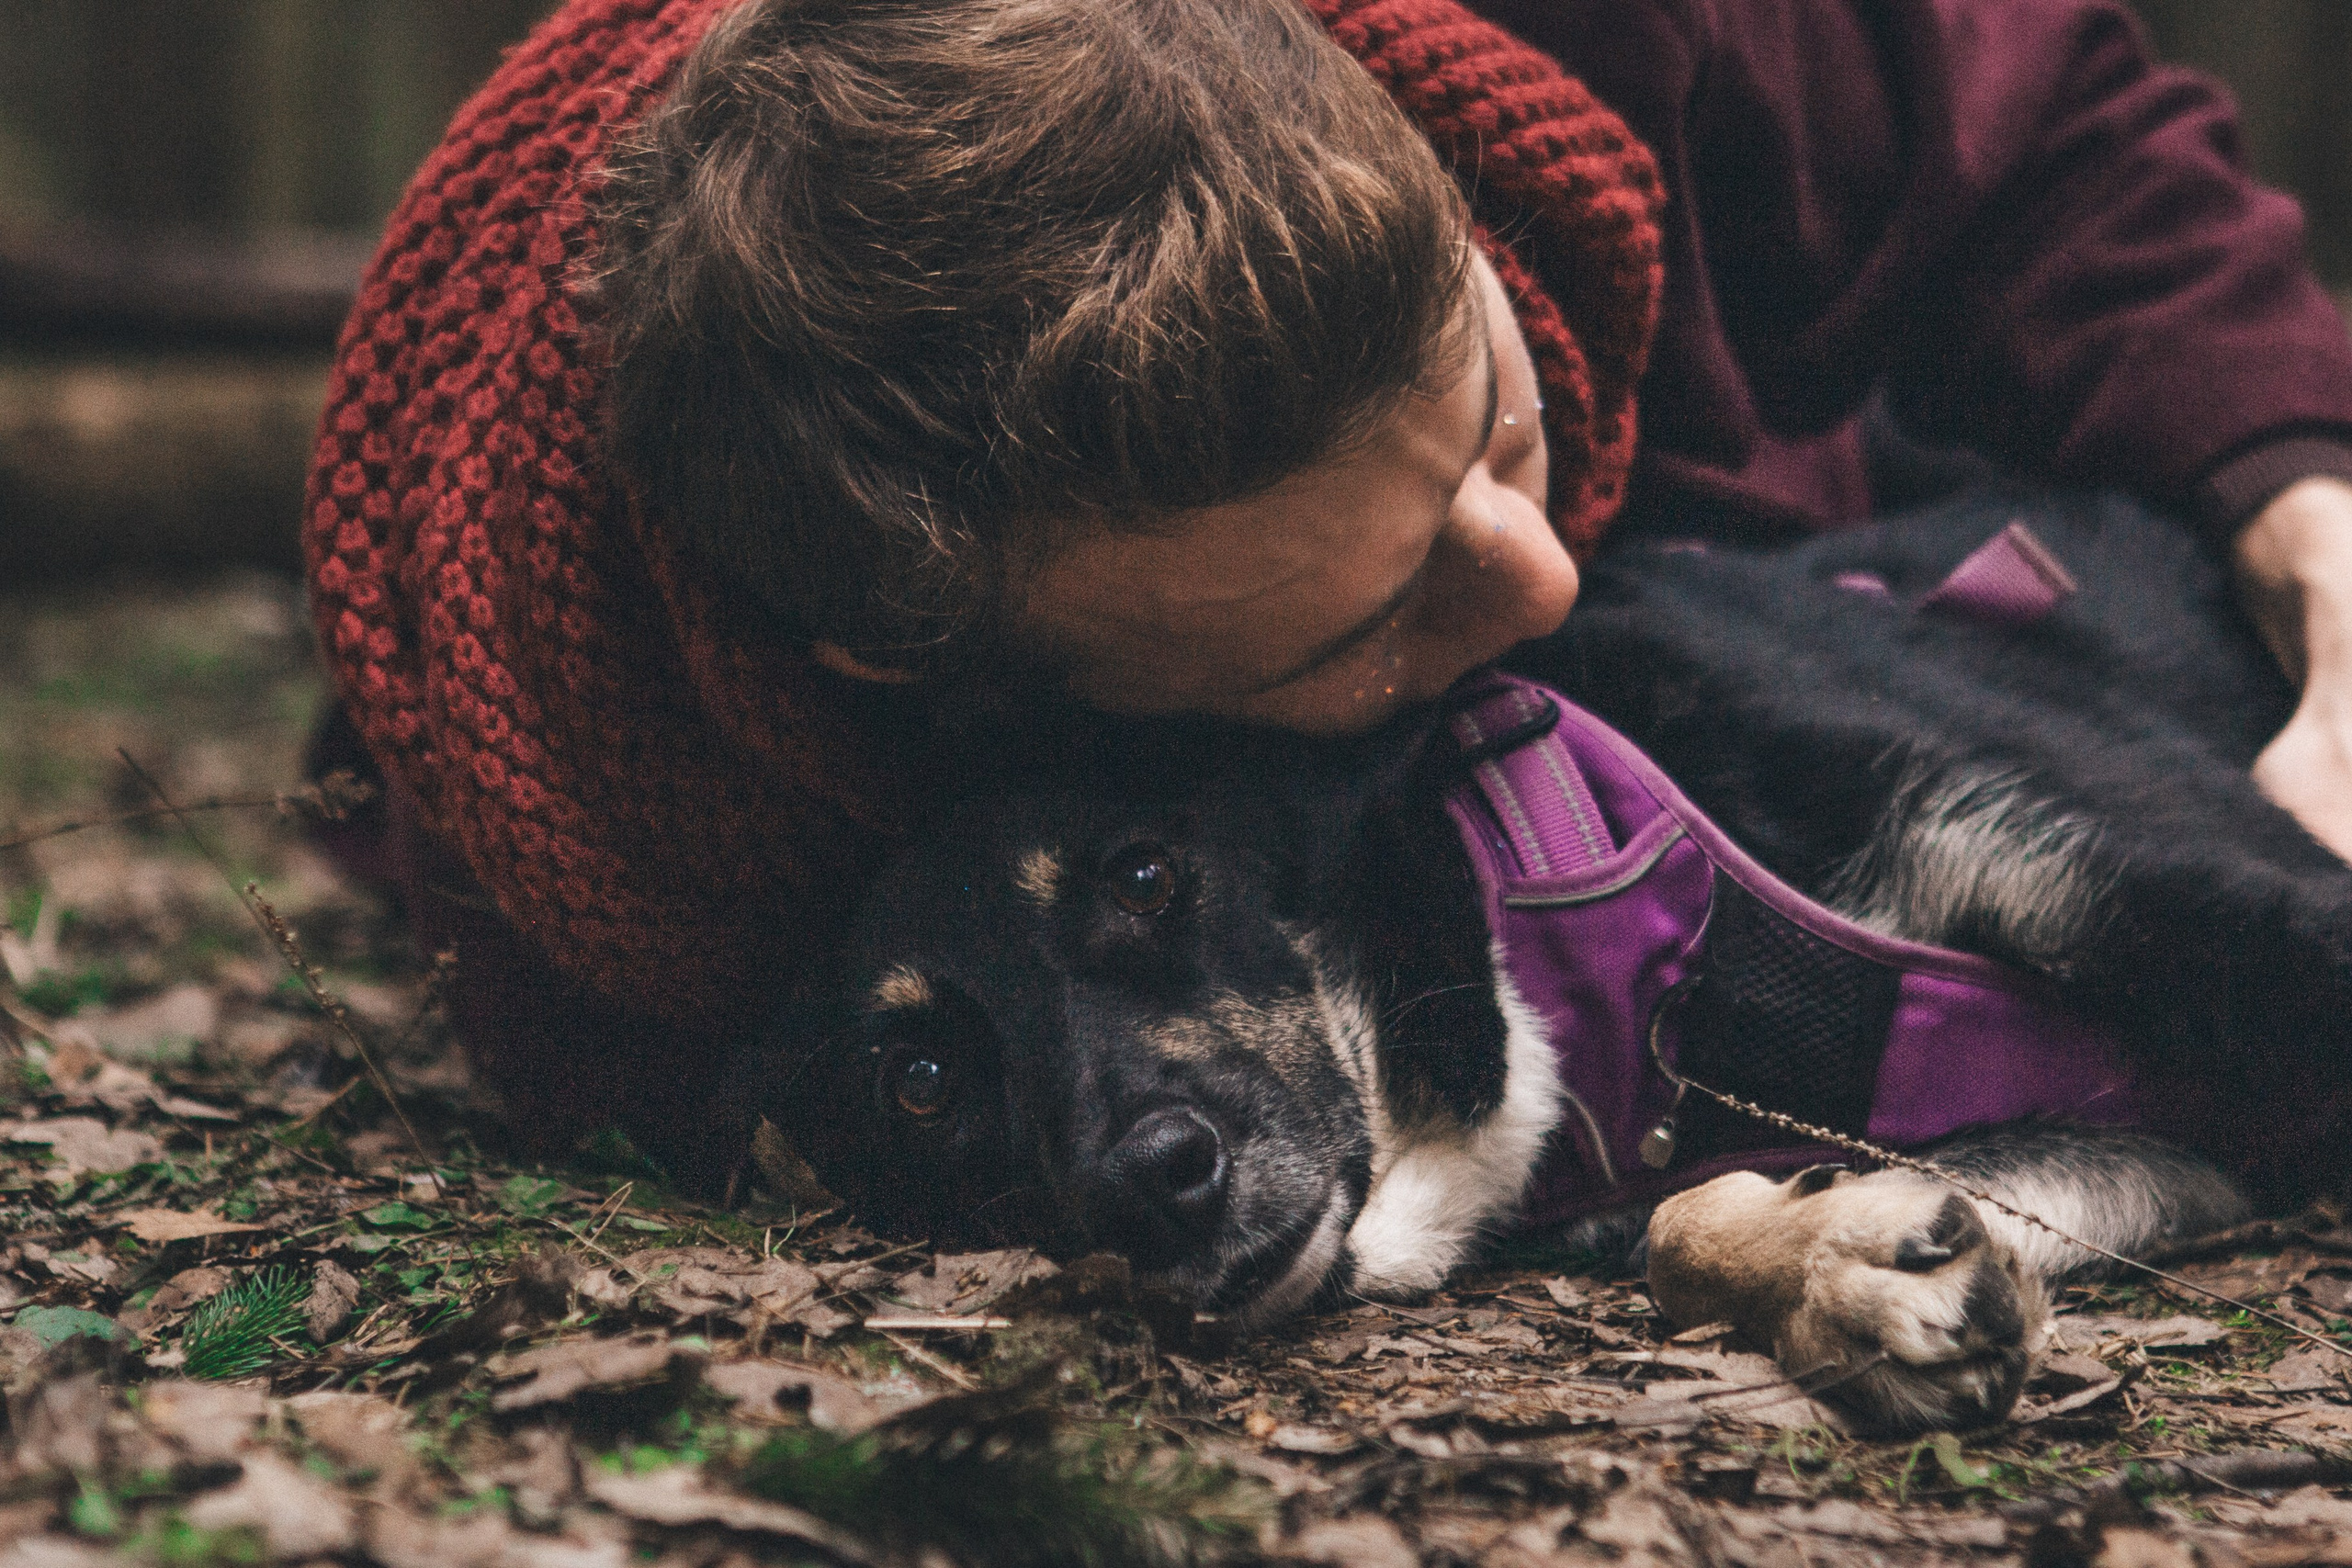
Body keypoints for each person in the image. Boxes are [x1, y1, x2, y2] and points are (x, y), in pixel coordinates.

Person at [304, 0, 2352, 1182]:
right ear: (963, 686)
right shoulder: (617, 809)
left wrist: (2299, 505)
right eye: (1351, 630)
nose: (1538, 575)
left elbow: (2065, 140)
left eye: (1485, 415)